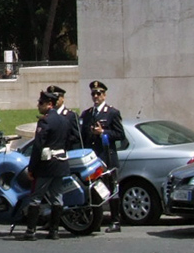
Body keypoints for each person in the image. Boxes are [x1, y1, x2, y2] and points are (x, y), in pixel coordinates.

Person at [23, 89, 70, 241]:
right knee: (57, 198)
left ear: (49, 104)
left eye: (41, 103)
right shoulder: (64, 120)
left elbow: (38, 146)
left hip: (46, 165)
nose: (38, 105)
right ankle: (54, 231)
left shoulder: (45, 121)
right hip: (60, 164)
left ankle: (31, 231)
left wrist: (32, 168)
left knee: (36, 197)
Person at [80, 80, 125, 233]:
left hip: (107, 157)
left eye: (99, 93)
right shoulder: (87, 114)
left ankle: (115, 221)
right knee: (95, 190)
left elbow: (120, 135)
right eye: (93, 94)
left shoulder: (112, 113)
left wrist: (103, 133)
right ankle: (97, 221)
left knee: (112, 189)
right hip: (92, 159)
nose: (96, 96)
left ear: (104, 95)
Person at [46, 85, 82, 151]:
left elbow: (77, 136)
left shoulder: (71, 115)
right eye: (51, 98)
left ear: (62, 98)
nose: (54, 100)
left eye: (56, 97)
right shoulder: (48, 115)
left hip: (67, 151)